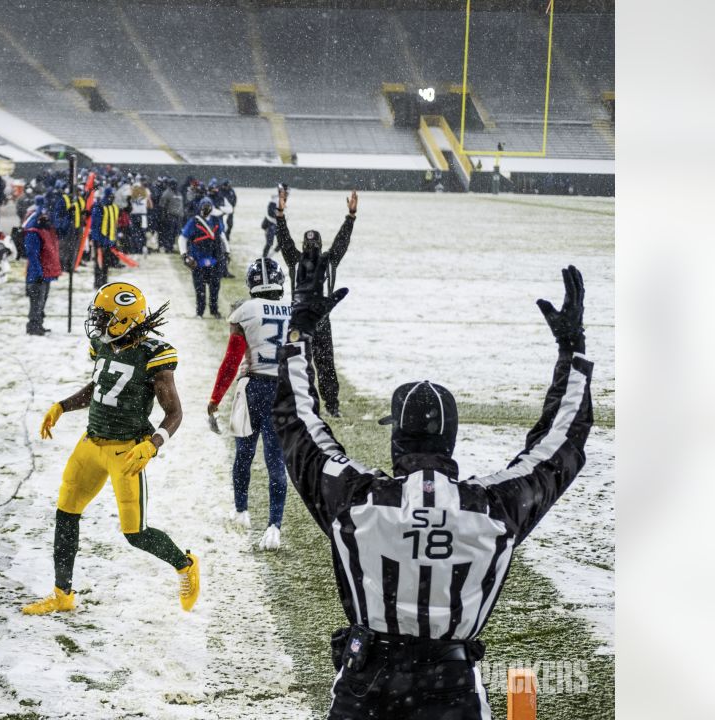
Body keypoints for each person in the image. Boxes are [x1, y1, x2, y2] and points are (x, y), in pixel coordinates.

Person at [272, 262, 592, 720]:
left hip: (368, 688)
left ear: (396, 439)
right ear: (451, 439)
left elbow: (297, 423)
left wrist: (299, 334)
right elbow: (561, 443)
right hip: (452, 688)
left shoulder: (358, 502)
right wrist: (572, 354)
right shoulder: (492, 509)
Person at [24, 283, 200, 615]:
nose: (98, 323)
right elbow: (102, 385)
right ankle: (63, 594)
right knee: (66, 514)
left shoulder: (154, 355)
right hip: (91, 443)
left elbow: (174, 413)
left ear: (125, 320)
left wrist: (153, 444)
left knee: (135, 533)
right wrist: (62, 406)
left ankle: (185, 564)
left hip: (127, 451)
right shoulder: (105, 345)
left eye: (104, 317)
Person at [206, 258, 292, 550]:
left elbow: (232, 361)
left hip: (254, 387)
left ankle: (241, 511)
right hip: (284, 391)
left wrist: (215, 398)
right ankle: (274, 527)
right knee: (275, 461)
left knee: (244, 452)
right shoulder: (293, 311)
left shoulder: (245, 310)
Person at [274, 189, 357, 417]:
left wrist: (350, 217)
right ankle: (309, 405)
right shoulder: (296, 260)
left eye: (314, 245)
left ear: (319, 245)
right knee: (303, 365)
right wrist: (280, 215)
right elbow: (284, 240)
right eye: (308, 245)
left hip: (318, 322)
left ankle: (331, 405)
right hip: (302, 322)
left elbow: (342, 240)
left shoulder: (328, 261)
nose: (311, 248)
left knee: (325, 366)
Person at [180, 197, 226, 318]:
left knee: (215, 288)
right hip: (197, 260)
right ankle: (200, 312)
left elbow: (222, 236)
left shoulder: (216, 221)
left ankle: (214, 311)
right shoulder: (193, 221)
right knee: (199, 288)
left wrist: (227, 251)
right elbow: (182, 238)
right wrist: (184, 254)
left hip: (214, 259)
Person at [22, 198, 62, 336]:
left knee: (41, 301)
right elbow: (32, 255)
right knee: (36, 302)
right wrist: (38, 272)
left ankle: (38, 323)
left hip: (45, 272)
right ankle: (33, 325)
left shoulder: (45, 229)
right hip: (38, 274)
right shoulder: (33, 232)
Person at [88, 187, 119, 288]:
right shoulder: (99, 206)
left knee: (106, 263)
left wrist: (114, 240)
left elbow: (114, 224)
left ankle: (104, 281)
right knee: (99, 263)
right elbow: (95, 225)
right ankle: (98, 282)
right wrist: (96, 239)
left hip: (109, 240)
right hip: (100, 240)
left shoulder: (114, 207)